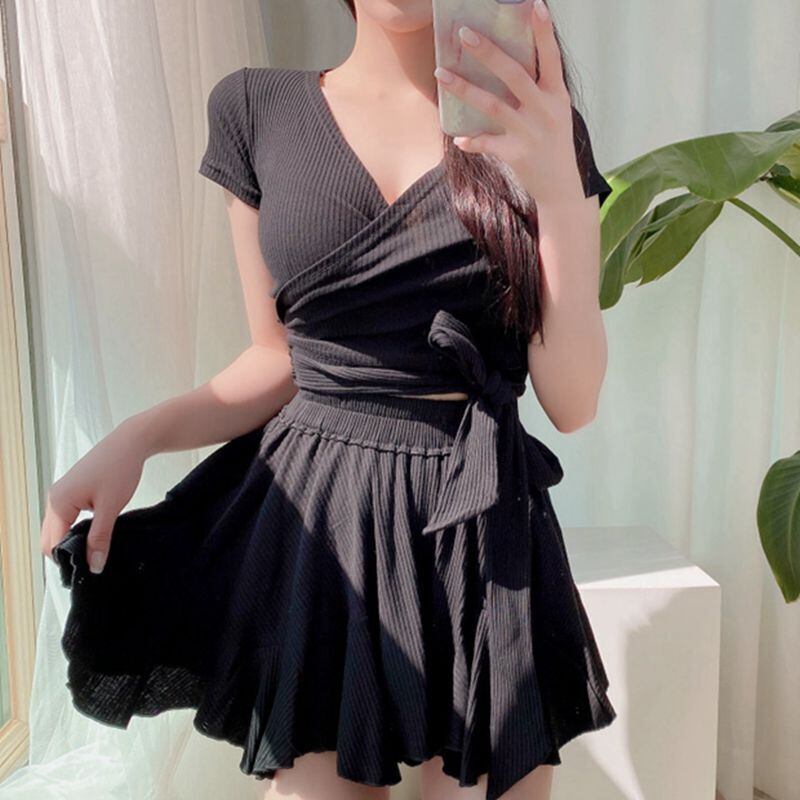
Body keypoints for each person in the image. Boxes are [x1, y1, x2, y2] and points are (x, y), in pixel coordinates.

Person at [41, 0, 617, 798]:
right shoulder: (256, 109)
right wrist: (137, 436)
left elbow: (573, 400)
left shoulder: (536, 124)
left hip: (480, 525)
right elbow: (276, 358)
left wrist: (554, 188)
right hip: (322, 525)